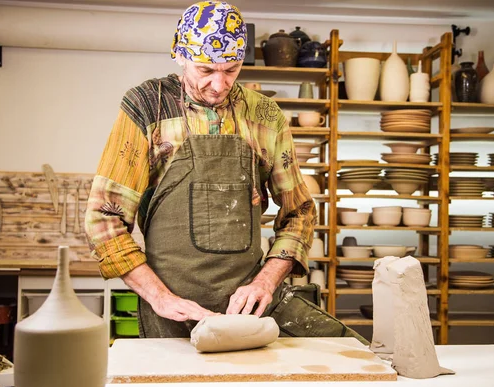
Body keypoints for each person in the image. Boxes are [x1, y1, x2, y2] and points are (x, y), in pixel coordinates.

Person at [85, 0, 366, 343]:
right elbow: (103, 219)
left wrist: (266, 281)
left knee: (347, 353)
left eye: (231, 69)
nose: (219, 85)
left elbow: (300, 212)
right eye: (206, 70)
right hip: (171, 310)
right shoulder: (146, 106)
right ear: (179, 53)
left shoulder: (265, 116)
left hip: (250, 307)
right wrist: (160, 297)